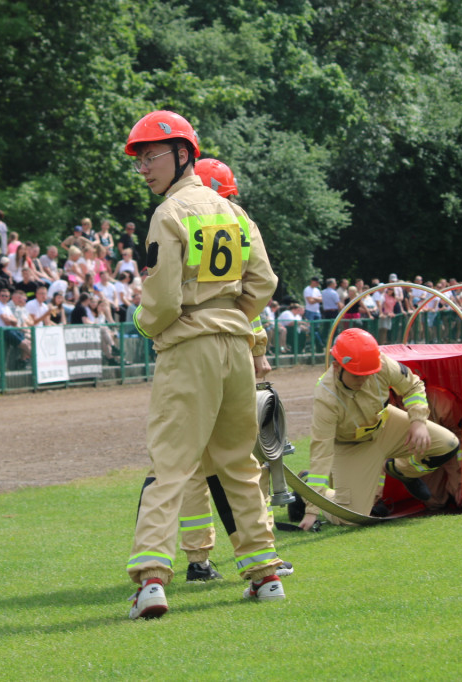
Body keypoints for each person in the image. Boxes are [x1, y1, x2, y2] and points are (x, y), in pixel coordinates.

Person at [123, 110, 283, 620]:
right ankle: (266, 576)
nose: (144, 168)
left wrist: (150, 326)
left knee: (171, 463)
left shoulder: (169, 214)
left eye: (151, 156)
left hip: (188, 345)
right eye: (140, 160)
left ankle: (151, 580)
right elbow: (264, 283)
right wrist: (234, 318)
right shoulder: (233, 213)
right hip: (235, 345)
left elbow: (163, 296)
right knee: (240, 463)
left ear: (182, 155)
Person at [296, 328, 460, 529]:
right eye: (357, 376)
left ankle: (400, 470)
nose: (364, 380)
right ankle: (305, 484)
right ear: (337, 366)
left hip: (386, 426)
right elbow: (321, 453)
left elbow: (412, 385)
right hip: (351, 446)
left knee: (448, 444)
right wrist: (313, 508)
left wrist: (418, 421)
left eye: (368, 374)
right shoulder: (326, 397)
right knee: (349, 517)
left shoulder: (380, 363)